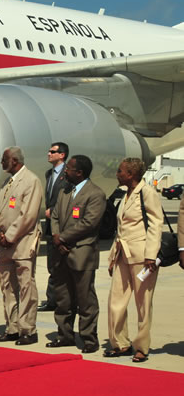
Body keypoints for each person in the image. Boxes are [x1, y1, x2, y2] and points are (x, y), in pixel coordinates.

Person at [104, 158, 161, 362]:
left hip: (142, 256)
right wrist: (112, 257)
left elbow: (156, 224)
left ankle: (142, 347)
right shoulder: (125, 194)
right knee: (116, 301)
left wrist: (150, 256)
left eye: (120, 171)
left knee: (143, 303)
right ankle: (120, 343)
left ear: (131, 174)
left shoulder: (147, 193)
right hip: (122, 254)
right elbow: (121, 230)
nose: (117, 174)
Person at [47, 154, 106, 353]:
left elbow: (89, 223)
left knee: (85, 300)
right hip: (61, 252)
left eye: (69, 169)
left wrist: (62, 238)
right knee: (63, 298)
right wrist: (56, 236)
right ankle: (65, 335)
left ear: (79, 173)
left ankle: (89, 339)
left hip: (81, 253)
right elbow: (54, 215)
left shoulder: (95, 194)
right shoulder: (65, 192)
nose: (65, 171)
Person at [0, 147, 43, 345]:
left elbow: (28, 215)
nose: (1, 163)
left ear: (14, 160)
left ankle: (27, 330)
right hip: (4, 245)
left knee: (25, 287)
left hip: (22, 242)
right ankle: (12, 327)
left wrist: (11, 235)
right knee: (7, 287)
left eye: (4, 159)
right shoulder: (7, 182)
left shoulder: (31, 181)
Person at [39, 142, 69, 312]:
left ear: (62, 155)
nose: (48, 154)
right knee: (52, 264)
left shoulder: (68, 174)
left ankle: (63, 300)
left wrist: (56, 211)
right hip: (51, 226)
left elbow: (69, 197)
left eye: (52, 151)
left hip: (62, 226)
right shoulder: (49, 174)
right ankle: (52, 300)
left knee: (62, 265)